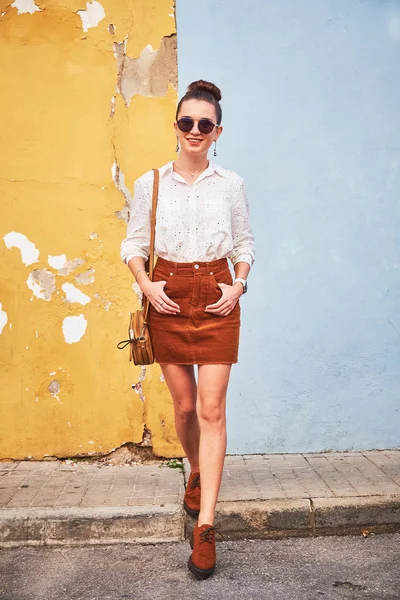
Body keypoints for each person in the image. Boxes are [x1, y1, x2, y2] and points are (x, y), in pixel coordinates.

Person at [120, 79, 255, 579]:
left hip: (218, 293)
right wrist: (146, 284)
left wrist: (238, 285)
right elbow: (133, 243)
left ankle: (207, 528)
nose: (194, 130)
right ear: (175, 127)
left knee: (211, 407)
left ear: (217, 131)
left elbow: (245, 244)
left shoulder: (232, 184)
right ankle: (195, 470)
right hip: (168, 293)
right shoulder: (149, 183)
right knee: (183, 406)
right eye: (186, 122)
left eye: (204, 124)